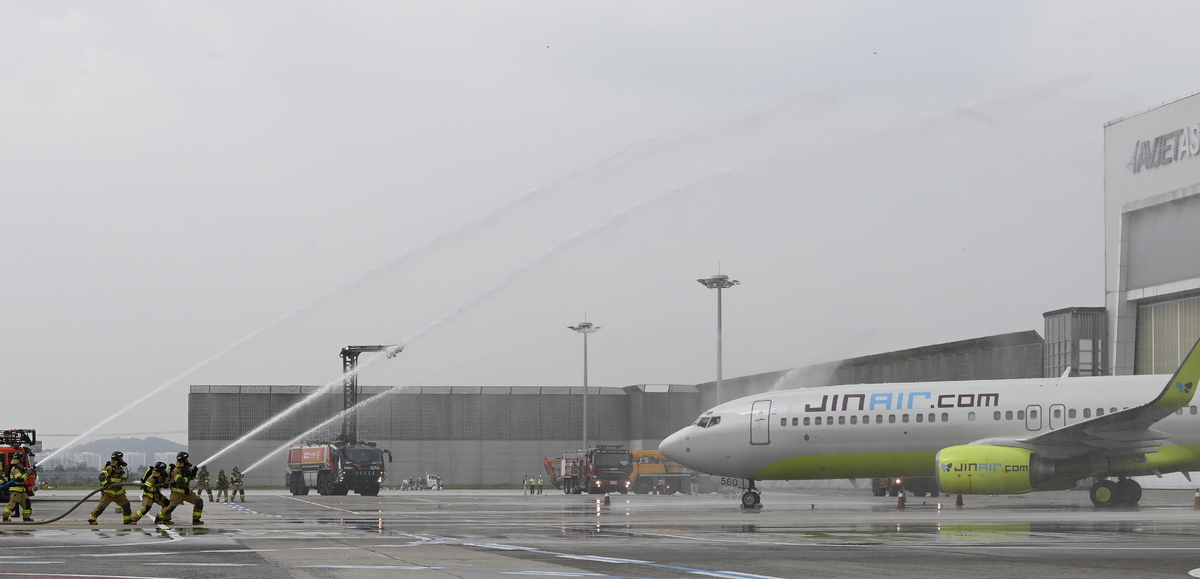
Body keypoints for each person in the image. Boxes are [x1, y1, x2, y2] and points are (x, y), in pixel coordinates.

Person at [156, 452, 203, 525]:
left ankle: (196, 520)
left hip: (186, 492)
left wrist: (193, 473)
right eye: (186, 459)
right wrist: (188, 477)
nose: (188, 460)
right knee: (170, 508)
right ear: (183, 460)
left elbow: (190, 478)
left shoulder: (185, 469)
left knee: (199, 502)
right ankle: (158, 518)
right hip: (177, 493)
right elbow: (180, 481)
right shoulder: (175, 470)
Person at [89, 451, 132, 525]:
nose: (122, 460)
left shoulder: (121, 470)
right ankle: (92, 519)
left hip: (119, 494)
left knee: (126, 505)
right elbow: (101, 477)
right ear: (118, 459)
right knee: (101, 508)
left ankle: (127, 521)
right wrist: (106, 484)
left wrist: (122, 483)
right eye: (121, 459)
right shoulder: (109, 468)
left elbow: (124, 478)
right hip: (108, 494)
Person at [2, 452, 34, 522]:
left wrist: (29, 471)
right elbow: (20, 479)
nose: (23, 460)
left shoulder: (21, 468)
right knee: (13, 505)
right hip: (16, 491)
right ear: (18, 459)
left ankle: (26, 517)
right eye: (22, 458)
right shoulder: (15, 469)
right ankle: (5, 517)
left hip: (21, 491)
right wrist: (28, 474)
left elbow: (25, 472)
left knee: (27, 502)